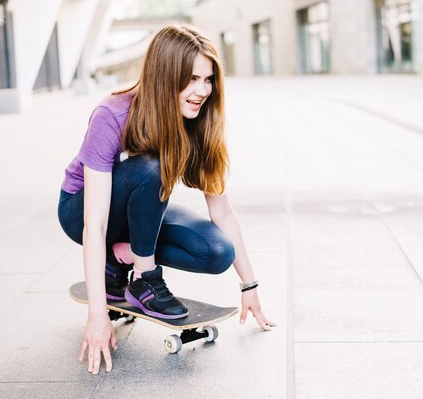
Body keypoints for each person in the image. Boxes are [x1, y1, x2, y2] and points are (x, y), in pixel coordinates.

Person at [58, 23, 275, 375]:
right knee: (151, 168)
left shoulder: (200, 120)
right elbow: (94, 224)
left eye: (208, 80)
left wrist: (249, 285)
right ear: (164, 75)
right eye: (191, 79)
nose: (202, 90)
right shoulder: (112, 115)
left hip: (141, 206)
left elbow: (222, 210)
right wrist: (97, 316)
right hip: (81, 209)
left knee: (218, 251)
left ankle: (122, 256)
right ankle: (143, 276)